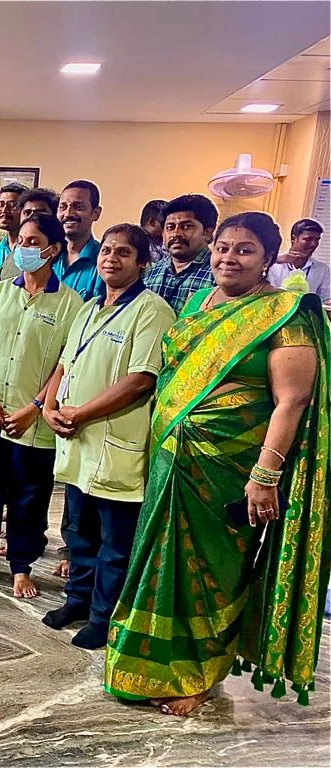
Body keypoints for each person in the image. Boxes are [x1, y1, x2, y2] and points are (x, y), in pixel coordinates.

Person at [105, 211, 330, 716]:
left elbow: (292, 400)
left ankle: (198, 673)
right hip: (172, 456)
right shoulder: (199, 303)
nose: (229, 257)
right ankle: (143, 665)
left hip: (229, 466)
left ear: (267, 258)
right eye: (223, 247)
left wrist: (265, 476)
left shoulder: (284, 314)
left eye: (244, 250)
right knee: (157, 558)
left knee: (212, 569)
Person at [41, 223, 176, 649]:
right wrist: (48, 407)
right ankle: (77, 600)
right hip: (78, 441)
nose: (111, 259)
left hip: (117, 444)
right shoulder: (88, 308)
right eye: (107, 251)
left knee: (114, 544)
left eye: (123, 253)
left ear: (142, 262)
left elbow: (141, 380)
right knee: (78, 532)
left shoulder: (152, 311)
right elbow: (65, 363)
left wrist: (80, 412)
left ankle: (104, 617)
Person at [0, 213, 84, 597]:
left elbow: (64, 365)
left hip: (31, 421)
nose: (24, 248)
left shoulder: (71, 305)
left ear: (53, 250)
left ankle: (21, 565)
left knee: (29, 497)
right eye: (21, 241)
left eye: (33, 242)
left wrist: (34, 408)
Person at [143, 194, 217, 313]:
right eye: (170, 227)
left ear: (208, 232)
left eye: (187, 226)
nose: (176, 234)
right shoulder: (150, 272)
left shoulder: (218, 275)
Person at [55, 180, 106, 301]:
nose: (68, 214)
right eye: (63, 207)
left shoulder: (104, 262)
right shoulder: (48, 256)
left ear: (96, 213)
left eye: (78, 207)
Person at [268, 218, 329, 301]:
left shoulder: (322, 269)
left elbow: (326, 299)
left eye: (317, 240)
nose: (314, 244)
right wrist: (274, 260)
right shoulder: (272, 264)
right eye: (308, 239)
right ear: (293, 239)